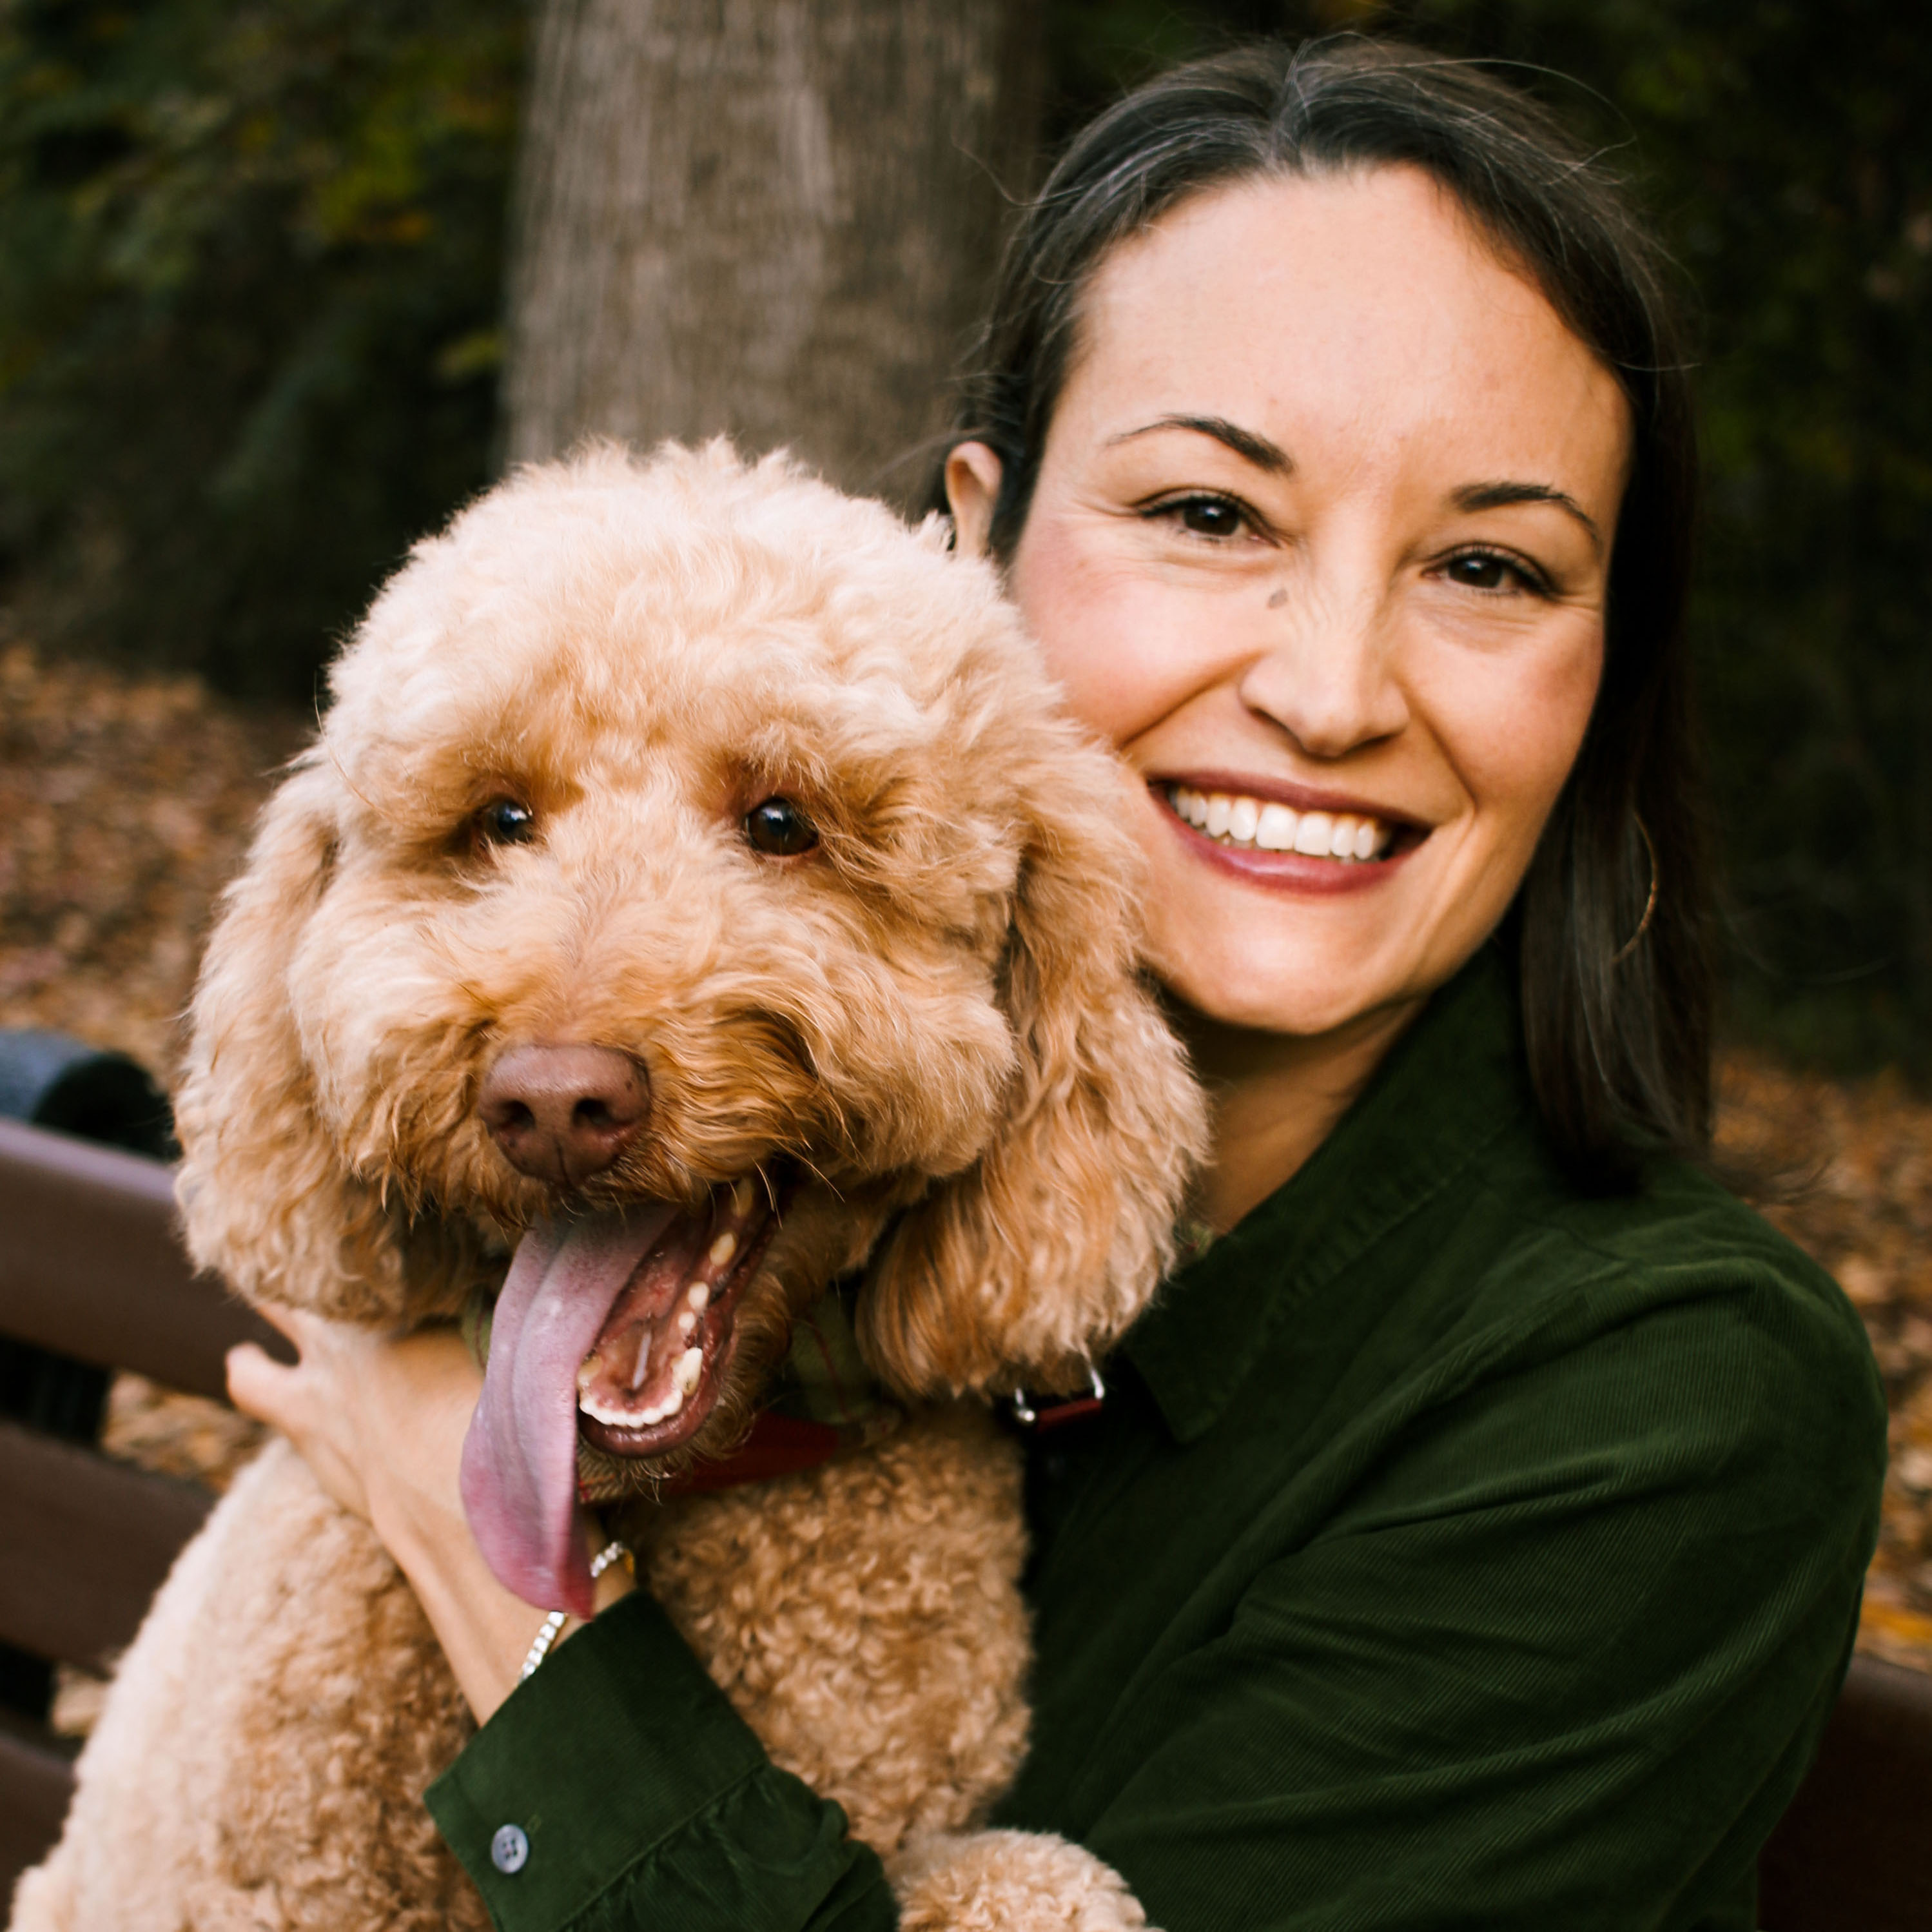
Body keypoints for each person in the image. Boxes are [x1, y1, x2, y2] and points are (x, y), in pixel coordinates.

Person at [228, 37, 1886, 1931]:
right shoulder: (717, 1206)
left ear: (1601, 676)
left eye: (1492, 567)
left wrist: (499, 1572)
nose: (1334, 692)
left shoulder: (1673, 1408)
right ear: (969, 537)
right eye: (1209, 516)